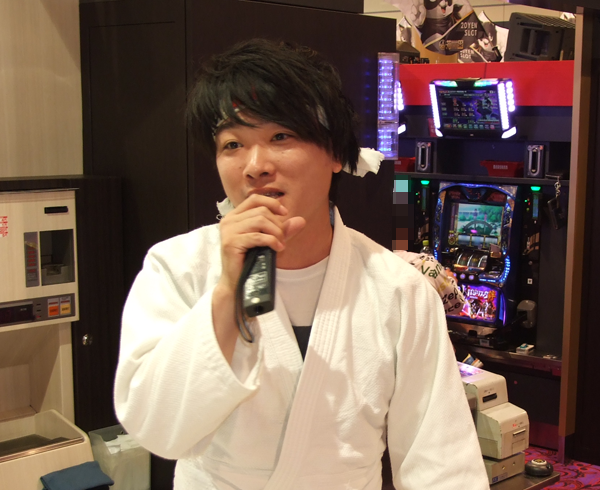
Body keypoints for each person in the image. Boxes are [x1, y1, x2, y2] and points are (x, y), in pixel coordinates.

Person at [114, 38, 489, 489]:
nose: (255, 166)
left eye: (280, 137)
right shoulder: (177, 267)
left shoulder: (398, 291)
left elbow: (442, 464)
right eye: (232, 144)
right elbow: (157, 430)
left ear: (336, 154)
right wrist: (227, 292)